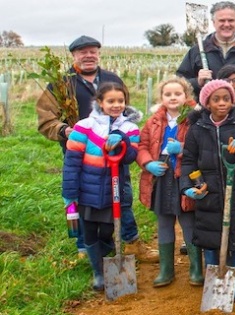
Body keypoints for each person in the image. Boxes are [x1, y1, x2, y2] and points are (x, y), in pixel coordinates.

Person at [36, 35, 156, 262]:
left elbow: (123, 109)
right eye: (83, 52)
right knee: (82, 199)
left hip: (115, 154)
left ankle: (129, 242)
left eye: (93, 51)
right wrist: (65, 131)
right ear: (74, 55)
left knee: (121, 196)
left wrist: (125, 133)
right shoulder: (61, 84)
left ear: (99, 54)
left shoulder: (112, 79)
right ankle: (85, 247)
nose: (88, 56)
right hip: (82, 155)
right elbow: (45, 119)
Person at [180, 79, 235, 302]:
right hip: (208, 193)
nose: (222, 103)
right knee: (210, 236)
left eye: (226, 98)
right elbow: (188, 161)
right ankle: (216, 283)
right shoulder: (196, 130)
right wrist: (187, 186)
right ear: (207, 103)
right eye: (216, 99)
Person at [62, 82, 141, 291]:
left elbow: (130, 157)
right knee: (88, 232)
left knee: (107, 231)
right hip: (87, 190)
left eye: (120, 101)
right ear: (100, 102)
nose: (116, 105)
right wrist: (70, 193)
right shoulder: (84, 126)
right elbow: (72, 162)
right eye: (111, 101)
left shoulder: (130, 128)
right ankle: (99, 273)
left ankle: (106, 262)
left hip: (112, 192)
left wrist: (121, 138)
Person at [137, 76, 203, 287]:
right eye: (168, 94)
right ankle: (166, 270)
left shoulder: (194, 119)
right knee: (164, 222)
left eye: (177, 94)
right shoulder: (154, 121)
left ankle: (196, 269)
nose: (173, 98)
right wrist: (148, 164)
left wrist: (182, 149)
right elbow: (142, 146)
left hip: (183, 176)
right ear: (161, 98)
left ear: (186, 96)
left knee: (187, 222)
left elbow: (202, 146)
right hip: (161, 178)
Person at [176, 1, 235, 101]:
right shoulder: (197, 50)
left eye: (231, 20)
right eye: (222, 20)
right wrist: (197, 82)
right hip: (207, 112)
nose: (226, 24)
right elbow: (179, 83)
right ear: (213, 22)